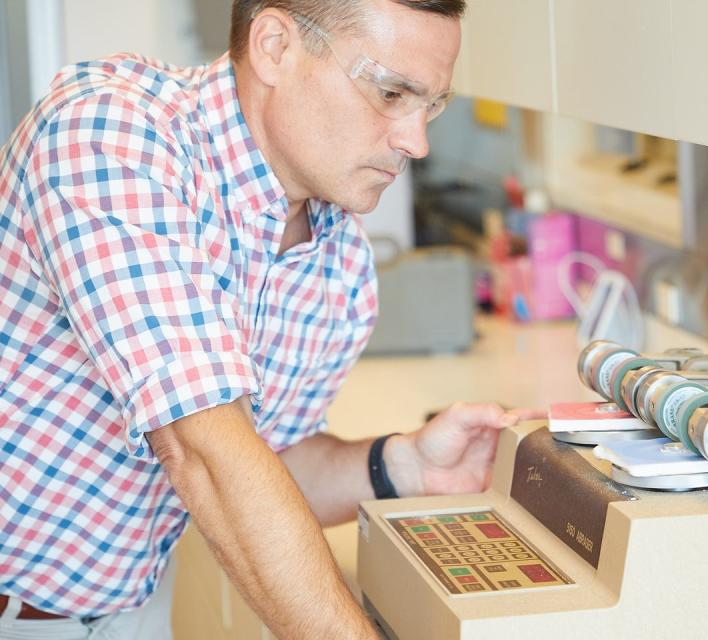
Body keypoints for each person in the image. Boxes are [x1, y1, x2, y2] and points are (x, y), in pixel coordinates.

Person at [0, 1, 532, 637]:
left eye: (431, 105)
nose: (415, 141)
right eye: (391, 92)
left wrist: (403, 465)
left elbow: (265, 466)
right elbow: (205, 451)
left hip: (122, 605)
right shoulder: (111, 135)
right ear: (276, 46)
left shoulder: (339, 264)